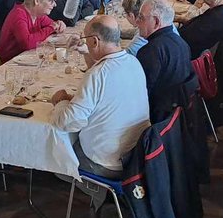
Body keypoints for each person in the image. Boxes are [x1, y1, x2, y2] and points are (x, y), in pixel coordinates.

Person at [50, 16, 150, 180]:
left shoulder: (97, 75)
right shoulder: (133, 62)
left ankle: (97, 193)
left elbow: (70, 122)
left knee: (55, 153)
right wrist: (84, 50)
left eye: (86, 39)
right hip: (136, 156)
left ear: (95, 41)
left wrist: (61, 102)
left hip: (107, 163)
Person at [134, 0, 197, 122]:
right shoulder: (180, 41)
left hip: (157, 117)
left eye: (141, 17)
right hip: (177, 112)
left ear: (156, 22)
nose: (136, 22)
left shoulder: (149, 51)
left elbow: (139, 94)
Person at [0, 0, 65, 61]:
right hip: (8, 65)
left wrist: (59, 25)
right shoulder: (19, 14)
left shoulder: (38, 14)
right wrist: (51, 28)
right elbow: (28, 44)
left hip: (26, 59)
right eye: (51, 1)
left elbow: (53, 25)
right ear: (37, 1)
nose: (54, 5)